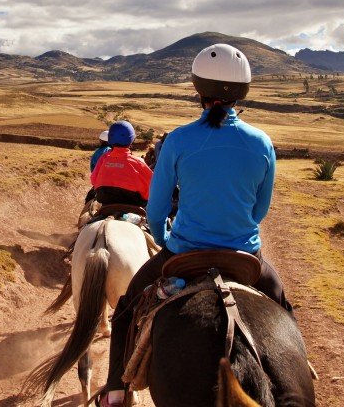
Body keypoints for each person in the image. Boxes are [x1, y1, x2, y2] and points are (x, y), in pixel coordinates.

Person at [97, 43, 295, 407]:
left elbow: (156, 210)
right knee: (283, 306)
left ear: (197, 89)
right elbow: (260, 209)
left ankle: (114, 390)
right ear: (242, 91)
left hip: (184, 251)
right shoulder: (262, 142)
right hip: (244, 254)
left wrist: (164, 238)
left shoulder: (178, 140)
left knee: (125, 310)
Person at [90, 120, 152, 208]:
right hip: (134, 204)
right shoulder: (139, 162)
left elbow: (93, 180)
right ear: (132, 140)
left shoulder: (104, 158)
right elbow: (153, 187)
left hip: (106, 203)